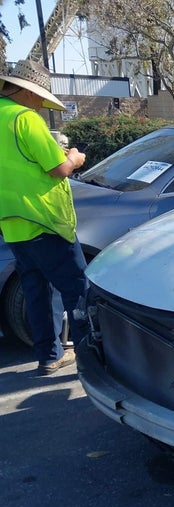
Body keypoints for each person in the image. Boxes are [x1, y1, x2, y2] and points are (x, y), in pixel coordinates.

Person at [0, 60, 87, 375]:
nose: (39, 103)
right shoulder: (25, 119)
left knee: (37, 292)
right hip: (46, 222)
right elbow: (59, 168)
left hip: (12, 225)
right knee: (77, 290)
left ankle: (49, 357)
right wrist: (74, 157)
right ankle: (91, 358)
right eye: (38, 96)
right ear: (25, 91)